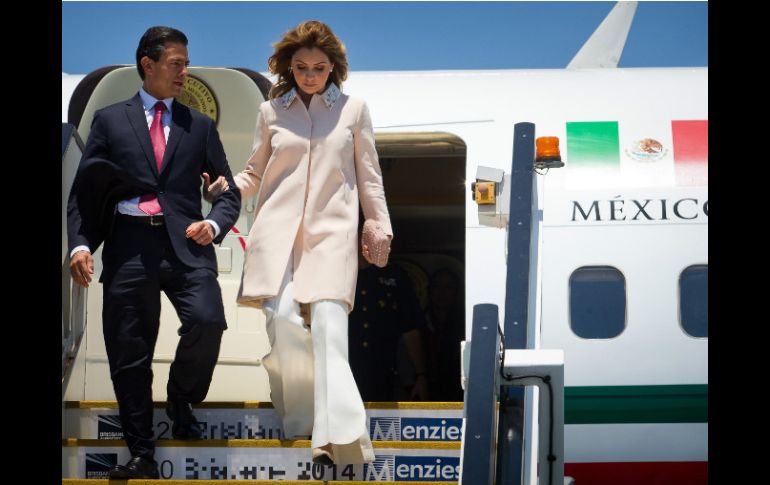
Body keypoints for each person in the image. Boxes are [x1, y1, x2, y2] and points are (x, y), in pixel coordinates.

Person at [67, 26, 241, 479]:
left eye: (186, 63)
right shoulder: (109, 120)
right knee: (130, 353)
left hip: (186, 245)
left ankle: (181, 395)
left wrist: (215, 220)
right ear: (148, 64)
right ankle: (142, 453)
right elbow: (85, 191)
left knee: (207, 320)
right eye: (176, 63)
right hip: (128, 245)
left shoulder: (198, 126)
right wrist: (81, 243)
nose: (185, 71)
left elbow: (228, 193)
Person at [230, 20, 391, 465]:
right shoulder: (270, 111)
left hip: (333, 234)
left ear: (333, 68)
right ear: (288, 66)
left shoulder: (353, 109)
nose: (310, 75)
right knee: (282, 321)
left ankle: (332, 437)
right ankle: (300, 419)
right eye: (301, 67)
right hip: (277, 234)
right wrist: (223, 188)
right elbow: (254, 174)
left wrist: (378, 223)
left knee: (327, 327)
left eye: (319, 67)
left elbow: (369, 175)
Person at [348, 248, 430, 402]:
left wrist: (421, 375)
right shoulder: (336, 273)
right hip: (343, 372)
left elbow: (410, 328)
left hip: (385, 373)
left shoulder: (394, 275)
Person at [422, 268, 465, 401]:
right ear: (429, 291)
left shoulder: (466, 326)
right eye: (437, 286)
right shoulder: (418, 325)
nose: (442, 292)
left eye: (449, 287)